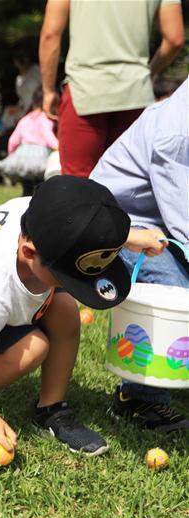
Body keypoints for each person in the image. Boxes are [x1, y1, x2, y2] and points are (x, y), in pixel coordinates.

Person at [0, 176, 167, 458]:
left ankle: (50, 409)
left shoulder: (46, 217)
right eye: (67, 278)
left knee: (66, 311)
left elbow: (78, 224)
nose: (73, 285)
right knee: (34, 347)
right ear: (30, 252)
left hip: (13, 278)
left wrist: (130, 237)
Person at [90, 78, 189, 434]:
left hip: (158, 224)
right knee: (175, 289)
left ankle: (177, 371)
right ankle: (139, 399)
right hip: (117, 230)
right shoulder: (176, 134)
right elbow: (184, 220)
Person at [39, 0, 184, 177]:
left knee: (76, 188)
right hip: (135, 94)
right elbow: (175, 39)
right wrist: (148, 72)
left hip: (84, 92)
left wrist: (48, 90)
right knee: (129, 186)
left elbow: (50, 34)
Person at [0, 89, 59, 197]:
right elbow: (48, 135)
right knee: (40, 185)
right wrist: (58, 147)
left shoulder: (25, 119)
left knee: (27, 187)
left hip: (23, 154)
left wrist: (12, 154)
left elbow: (13, 140)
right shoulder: (45, 118)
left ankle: (25, 206)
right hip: (40, 155)